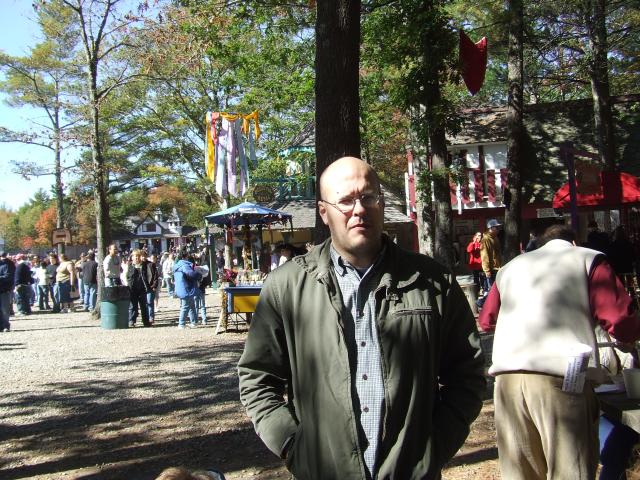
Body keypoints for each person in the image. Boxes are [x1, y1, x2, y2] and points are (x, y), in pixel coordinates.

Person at [238, 157, 485, 479]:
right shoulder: (286, 286)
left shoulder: (433, 283)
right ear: (323, 212)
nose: (359, 209)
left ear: (381, 203)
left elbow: (467, 375)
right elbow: (257, 377)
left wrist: (433, 448)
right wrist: (293, 445)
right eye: (345, 200)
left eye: (368, 197)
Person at [478, 224, 640, 480]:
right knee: (569, 471)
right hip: (562, 377)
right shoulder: (588, 259)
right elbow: (620, 320)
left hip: (507, 381)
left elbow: (487, 320)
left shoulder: (511, 267)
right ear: (574, 242)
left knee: (521, 474)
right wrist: (628, 339)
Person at [173, 250, 202, 329]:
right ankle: (181, 324)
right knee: (185, 307)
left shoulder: (177, 265)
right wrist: (199, 275)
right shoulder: (184, 265)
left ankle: (194, 322)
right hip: (186, 288)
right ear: (185, 257)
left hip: (181, 288)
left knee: (191, 305)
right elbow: (191, 273)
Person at [126, 249, 153, 327]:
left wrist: (148, 285)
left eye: (138, 256)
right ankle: (131, 321)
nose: (137, 258)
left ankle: (146, 321)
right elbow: (127, 276)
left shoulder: (144, 265)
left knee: (144, 306)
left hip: (142, 288)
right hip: (132, 289)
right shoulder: (130, 266)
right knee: (133, 306)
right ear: (132, 257)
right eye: (135, 256)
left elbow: (149, 275)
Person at [0, 251, 15, 331]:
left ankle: (6, 325)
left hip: (4, 289)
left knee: (4, 309)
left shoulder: (8, 264)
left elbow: (8, 276)